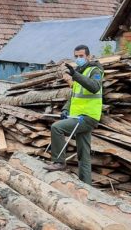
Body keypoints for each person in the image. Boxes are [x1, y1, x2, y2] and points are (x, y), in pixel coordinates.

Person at [43, 45, 103, 185]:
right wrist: (65, 109)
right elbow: (74, 96)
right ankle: (86, 187)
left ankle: (59, 162)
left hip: (88, 116)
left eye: (81, 56)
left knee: (57, 128)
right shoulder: (79, 71)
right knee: (84, 154)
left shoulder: (95, 70)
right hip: (78, 116)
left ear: (88, 56)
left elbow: (94, 87)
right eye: (76, 56)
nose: (78, 59)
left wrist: (75, 75)